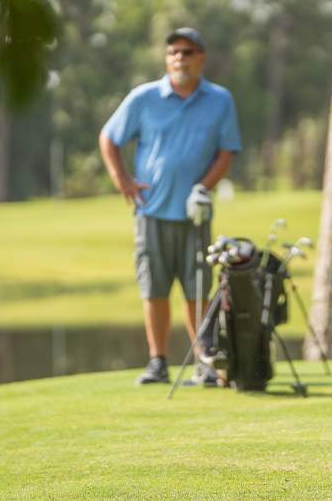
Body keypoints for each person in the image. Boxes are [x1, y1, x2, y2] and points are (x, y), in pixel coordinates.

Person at [99, 27, 241, 386]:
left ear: (201, 59)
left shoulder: (220, 100)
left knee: (196, 291)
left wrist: (203, 187)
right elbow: (109, 138)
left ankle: (204, 363)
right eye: (174, 52)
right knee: (155, 289)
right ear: (167, 58)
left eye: (188, 52)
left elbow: (226, 152)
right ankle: (158, 362)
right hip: (152, 212)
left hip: (195, 214)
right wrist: (122, 180)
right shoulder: (144, 98)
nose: (180, 58)